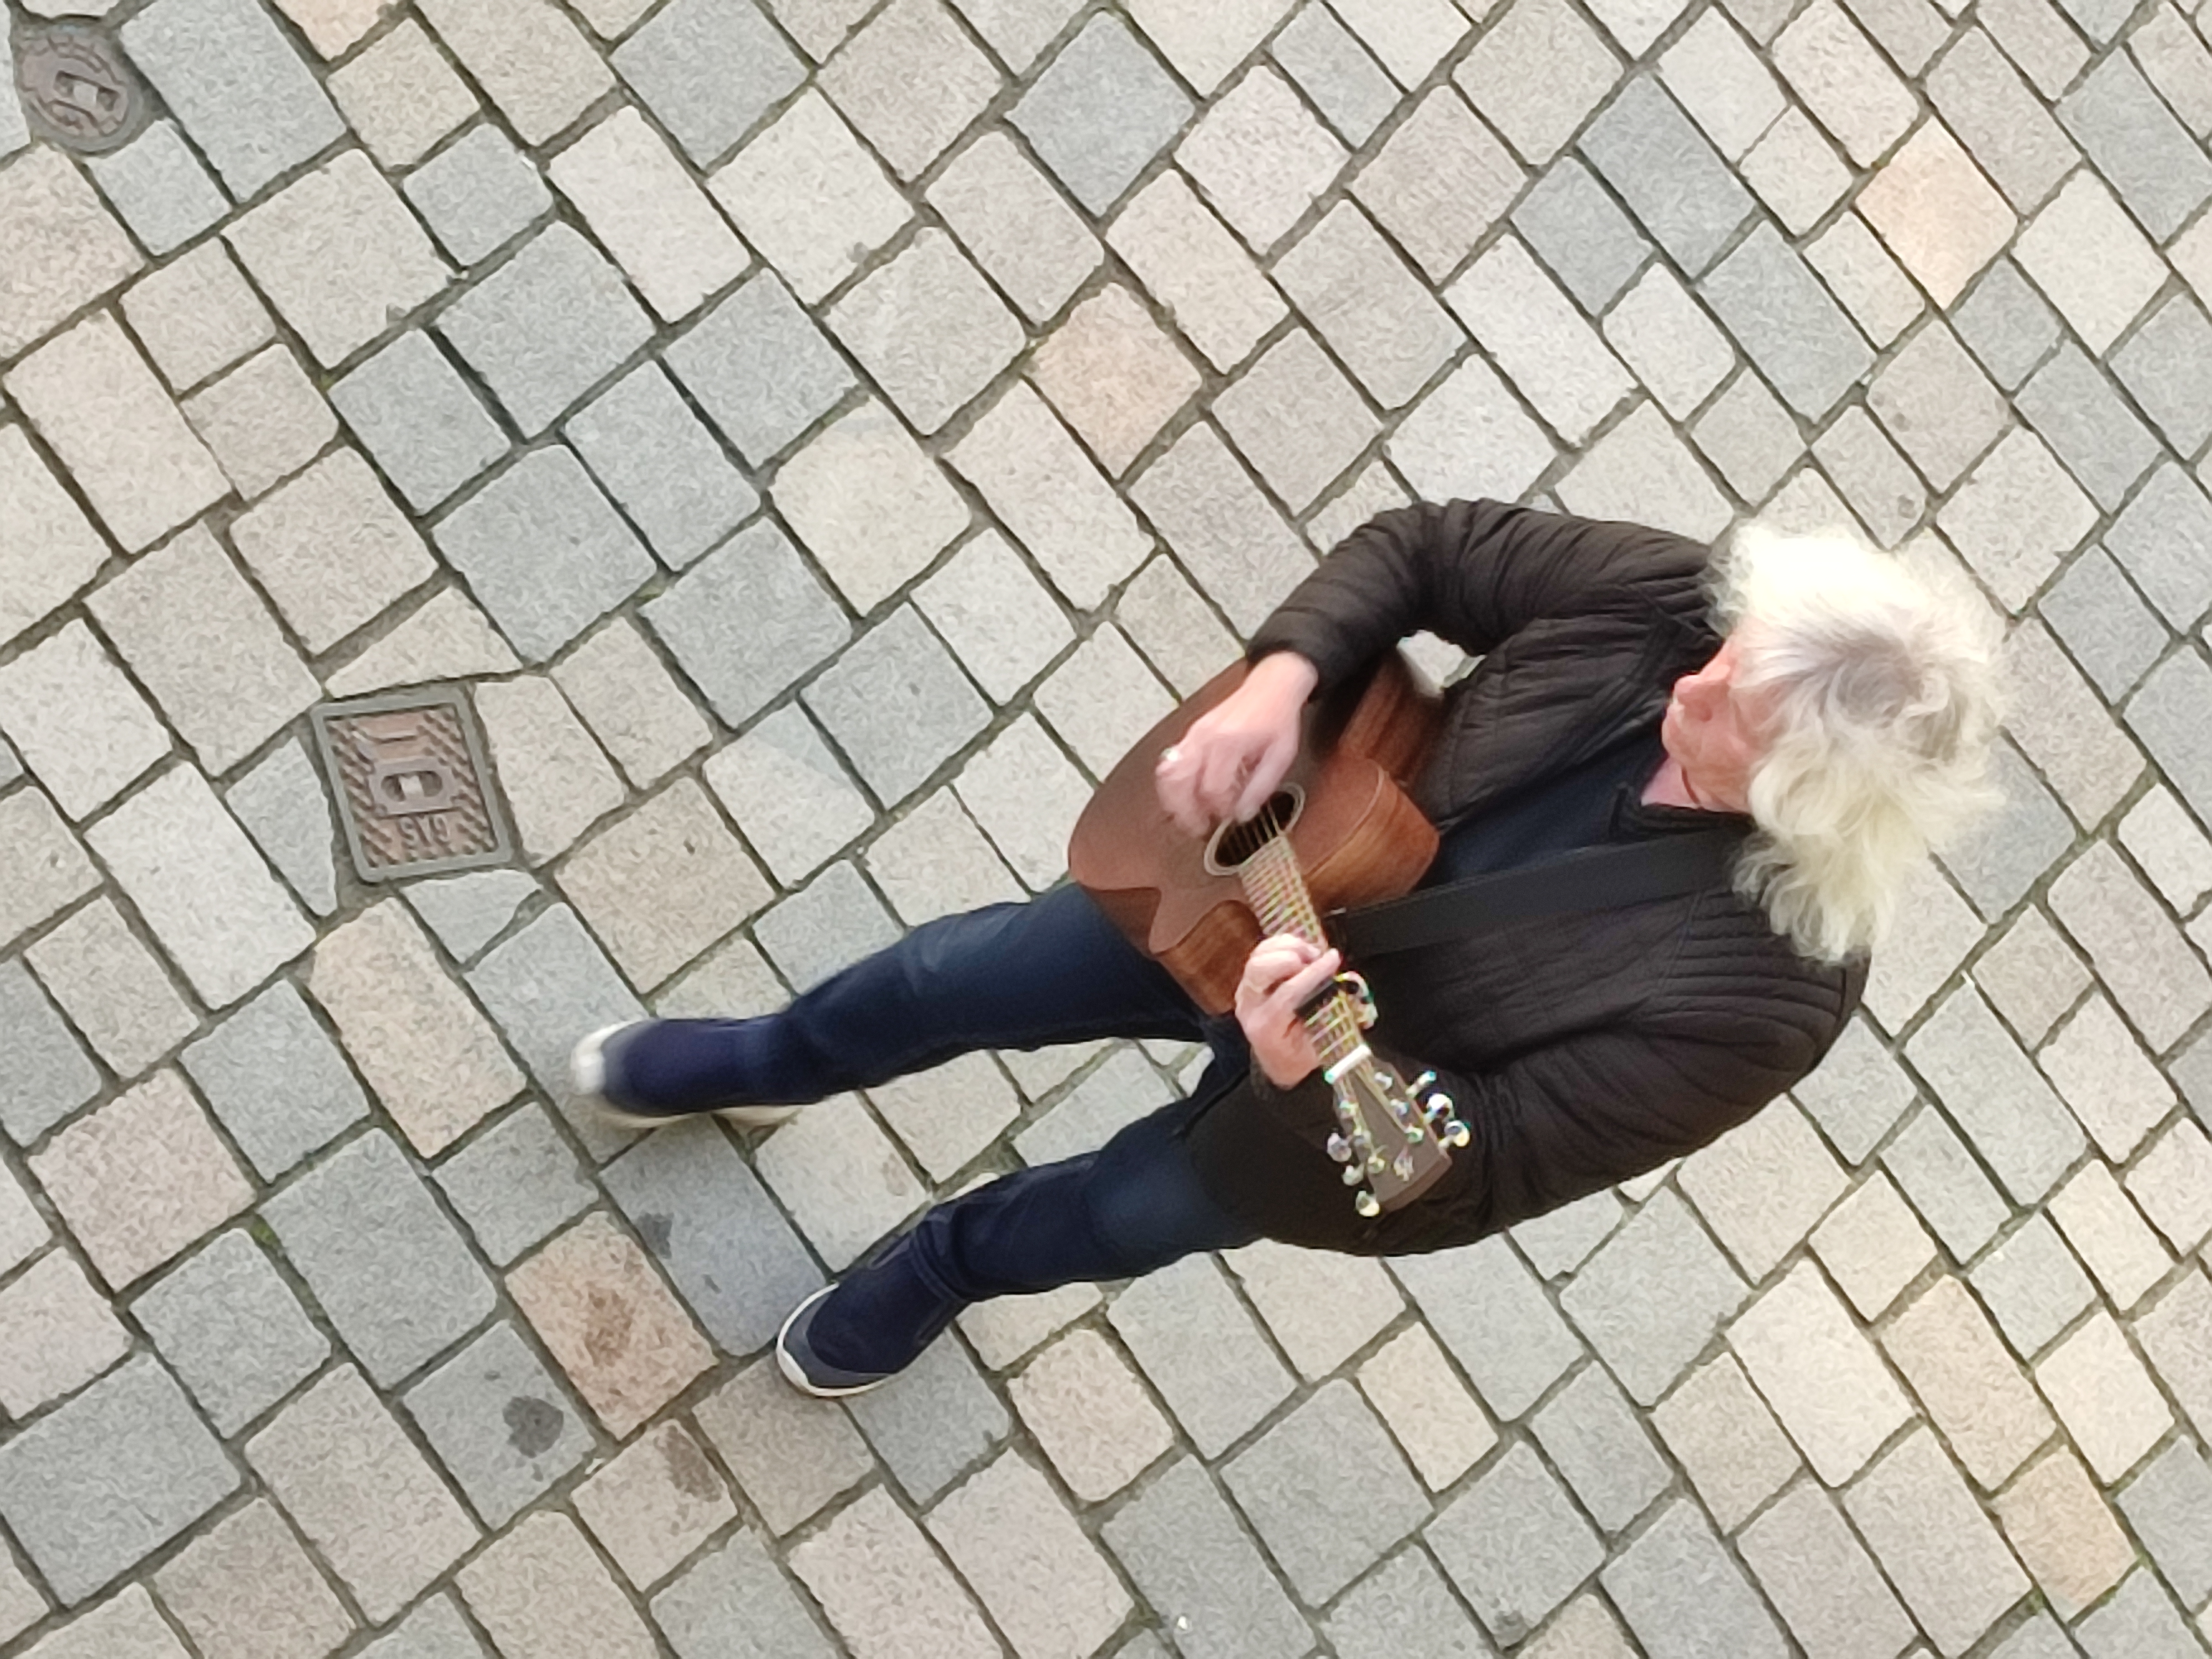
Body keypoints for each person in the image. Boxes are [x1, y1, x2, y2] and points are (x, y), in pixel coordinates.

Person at [571, 501, 2001, 1397]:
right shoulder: (1685, 608)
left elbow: (1482, 1166)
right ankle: (774, 1060)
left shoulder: (1769, 1000)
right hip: (1260, 882)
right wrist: (1285, 678)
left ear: (1808, 800)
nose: (1686, 682)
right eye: (1720, 657)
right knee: (956, 978)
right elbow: (1428, 553)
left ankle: (941, 1265)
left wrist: (1305, 1069)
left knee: (1108, 1219)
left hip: (1321, 1112)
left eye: (1721, 713)